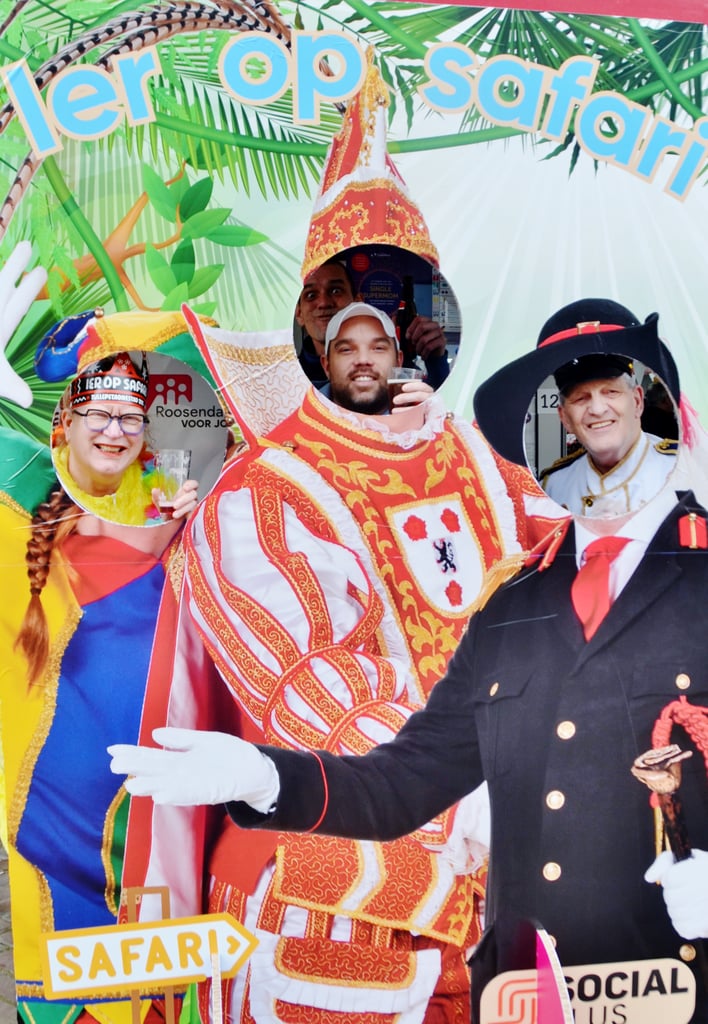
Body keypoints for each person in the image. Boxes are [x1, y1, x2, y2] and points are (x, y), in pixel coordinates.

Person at [110, 299, 708, 1024]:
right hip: (380, 904)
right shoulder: (266, 491)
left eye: (615, 393)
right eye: (578, 402)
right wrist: (269, 777)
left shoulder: (505, 483)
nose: (599, 421)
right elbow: (378, 741)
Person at [1, 303, 204, 1023]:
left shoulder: (206, 548)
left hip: (165, 875)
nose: (116, 430)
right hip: (49, 881)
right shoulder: (21, 533)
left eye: (135, 417)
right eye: (99, 411)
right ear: (66, 423)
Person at [52, 349, 198, 526]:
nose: (114, 432)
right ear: (68, 424)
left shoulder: (162, 491)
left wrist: (179, 527)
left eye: (130, 418)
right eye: (99, 415)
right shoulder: (33, 487)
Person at [540, 351, 677, 517]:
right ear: (565, 418)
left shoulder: (683, 469)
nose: (597, 410)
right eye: (580, 398)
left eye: (611, 392)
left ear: (637, 401)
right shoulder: (551, 488)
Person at [296, 256, 451, 391]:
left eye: (336, 291)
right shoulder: (289, 377)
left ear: (357, 301)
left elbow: (437, 405)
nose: (323, 303)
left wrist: (436, 361)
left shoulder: (399, 372)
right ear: (299, 314)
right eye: (311, 295)